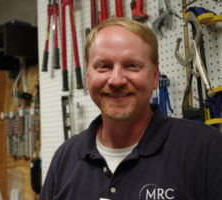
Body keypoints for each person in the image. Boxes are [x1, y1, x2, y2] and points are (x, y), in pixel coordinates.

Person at [39, 17, 222, 200]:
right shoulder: (65, 156)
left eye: (132, 66)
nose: (116, 80)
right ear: (87, 77)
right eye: (103, 67)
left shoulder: (205, 148)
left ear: (155, 76)